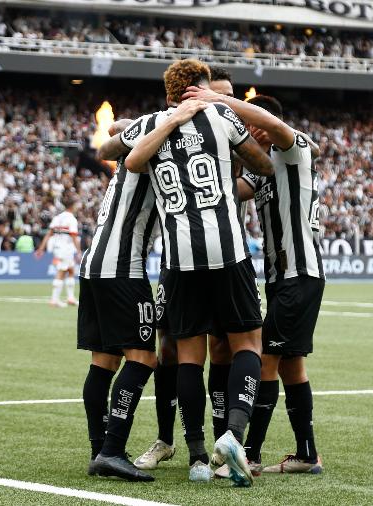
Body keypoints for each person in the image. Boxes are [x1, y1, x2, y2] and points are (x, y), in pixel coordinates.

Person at [123, 58, 273, 486]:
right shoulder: (222, 115)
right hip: (226, 248)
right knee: (247, 343)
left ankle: (197, 457)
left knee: (188, 354)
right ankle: (234, 435)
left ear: (169, 92)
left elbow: (127, 156)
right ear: (203, 87)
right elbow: (262, 164)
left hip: (179, 257)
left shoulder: (151, 124)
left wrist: (163, 121)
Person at [183, 89, 325, 475]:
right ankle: (307, 455)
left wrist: (216, 99)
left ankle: (248, 455)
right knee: (292, 367)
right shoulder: (262, 167)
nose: (250, 132)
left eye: (251, 125)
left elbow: (276, 125)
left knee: (264, 360)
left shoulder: (294, 148)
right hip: (283, 279)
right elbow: (228, 192)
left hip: (300, 272)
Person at [133, 65, 238, 473]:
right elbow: (118, 147)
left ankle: (221, 442)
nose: (216, 100)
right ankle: (168, 439)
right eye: (214, 93)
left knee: (224, 347)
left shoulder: (230, 127)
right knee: (171, 347)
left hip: (227, 256)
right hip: (180, 257)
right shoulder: (170, 126)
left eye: (226, 96)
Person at [78, 120, 164, 480]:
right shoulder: (154, 157)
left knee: (104, 361)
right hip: (123, 268)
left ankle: (100, 449)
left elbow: (117, 126)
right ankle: (112, 450)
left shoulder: (133, 150)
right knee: (143, 358)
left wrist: (140, 125)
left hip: (94, 263)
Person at [35, 197, 81, 307]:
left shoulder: (57, 218)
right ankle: (54, 299)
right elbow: (74, 237)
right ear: (72, 206)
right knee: (61, 271)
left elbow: (49, 234)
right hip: (66, 249)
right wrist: (79, 251)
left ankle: (70, 298)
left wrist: (41, 248)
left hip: (57, 248)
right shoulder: (71, 219)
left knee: (70, 270)